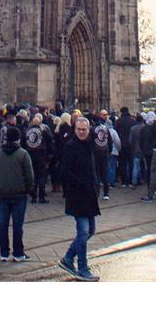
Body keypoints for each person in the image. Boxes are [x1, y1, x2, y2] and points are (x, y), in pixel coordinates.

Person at [58, 116, 102, 281]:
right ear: (74, 129)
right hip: (77, 195)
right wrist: (79, 184)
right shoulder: (71, 146)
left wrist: (96, 184)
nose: (82, 132)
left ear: (88, 129)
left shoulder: (90, 144)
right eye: (79, 129)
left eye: (84, 129)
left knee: (91, 231)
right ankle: (83, 268)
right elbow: (64, 171)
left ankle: (68, 258)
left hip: (89, 194)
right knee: (83, 232)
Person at [0, 125, 35, 262]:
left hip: (2, 193)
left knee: (3, 223)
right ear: (18, 138)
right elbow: (29, 175)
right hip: (18, 193)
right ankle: (18, 252)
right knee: (17, 225)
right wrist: (29, 189)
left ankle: (4, 252)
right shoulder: (23, 154)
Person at [24, 113, 53, 203]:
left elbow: (24, 143)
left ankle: (33, 197)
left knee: (33, 177)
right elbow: (50, 140)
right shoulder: (43, 130)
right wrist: (50, 154)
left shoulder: (27, 131)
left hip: (30, 155)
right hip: (41, 156)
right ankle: (41, 197)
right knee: (41, 177)